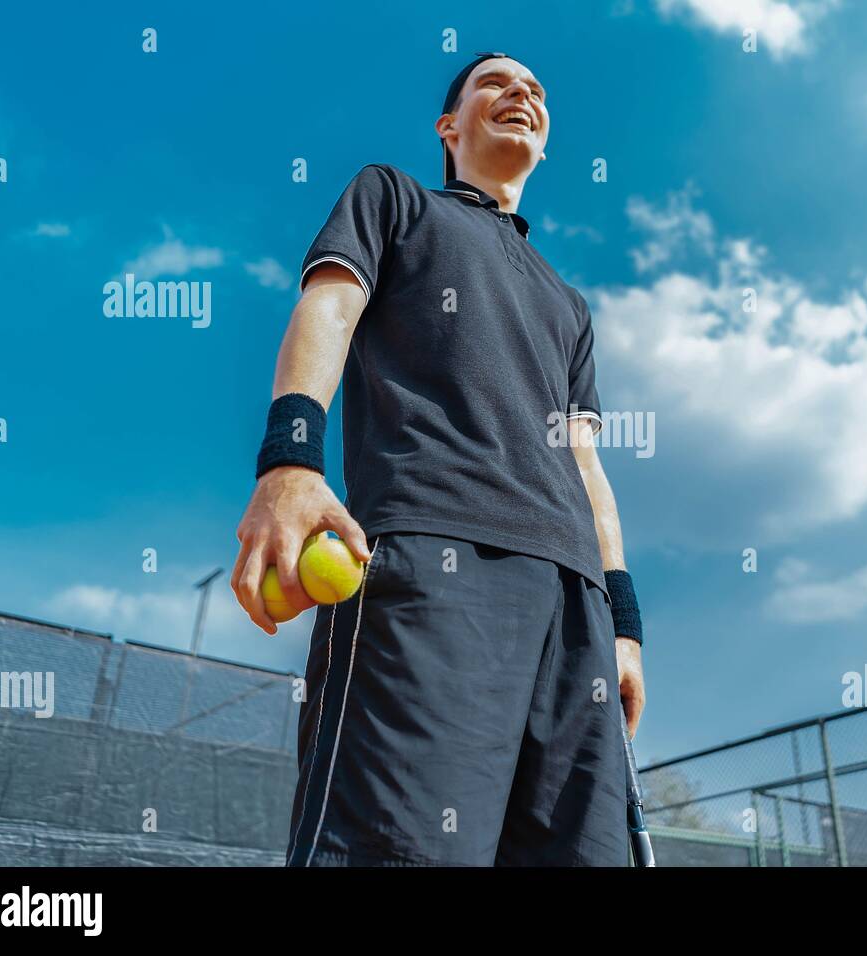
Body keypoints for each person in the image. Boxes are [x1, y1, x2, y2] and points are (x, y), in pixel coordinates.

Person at [230, 52, 647, 866]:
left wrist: (622, 625)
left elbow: (588, 468)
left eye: (536, 89)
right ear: (449, 127)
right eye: (494, 82)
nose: (521, 92)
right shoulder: (392, 196)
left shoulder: (570, 304)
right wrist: (291, 462)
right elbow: (329, 305)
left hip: (575, 611)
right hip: (428, 566)